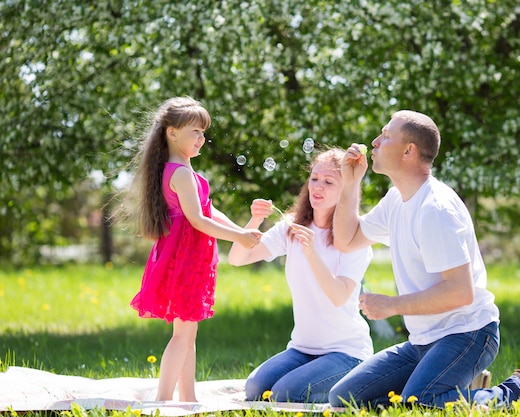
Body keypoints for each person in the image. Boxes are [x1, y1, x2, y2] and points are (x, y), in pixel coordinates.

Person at [328, 111, 520, 410]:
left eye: (386, 135)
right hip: (423, 342)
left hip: (467, 334)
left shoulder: (435, 209)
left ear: (408, 150)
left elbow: (459, 292)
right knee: (343, 399)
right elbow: (346, 240)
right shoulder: (396, 199)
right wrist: (350, 185)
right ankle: (454, 390)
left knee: (423, 403)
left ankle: (518, 393)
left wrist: (390, 305)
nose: (375, 142)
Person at [124, 96, 261, 402]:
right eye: (195, 132)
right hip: (184, 259)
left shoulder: (182, 171)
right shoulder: (181, 174)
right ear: (172, 132)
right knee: (182, 335)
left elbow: (208, 212)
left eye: (203, 132)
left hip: (188, 258)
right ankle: (162, 400)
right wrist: (238, 239)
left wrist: (241, 231)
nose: (202, 138)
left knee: (189, 333)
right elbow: (198, 220)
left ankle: (188, 397)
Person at [228, 148, 374, 403]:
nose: (318, 187)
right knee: (254, 388)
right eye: (314, 178)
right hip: (302, 348)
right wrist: (253, 222)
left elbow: (338, 296)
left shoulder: (355, 238)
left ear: (346, 190)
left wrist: (311, 253)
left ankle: (359, 385)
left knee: (285, 393)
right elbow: (238, 259)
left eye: (329, 182)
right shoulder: (292, 226)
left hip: (346, 352)